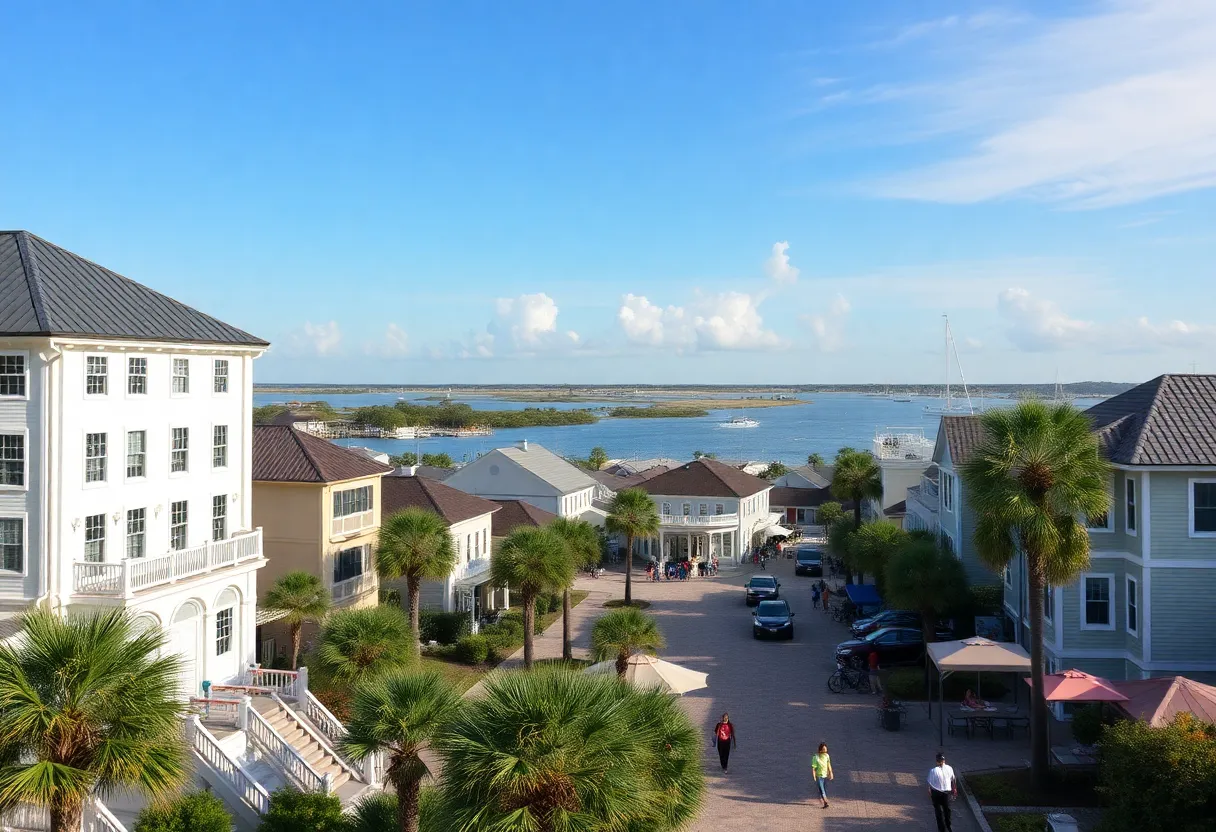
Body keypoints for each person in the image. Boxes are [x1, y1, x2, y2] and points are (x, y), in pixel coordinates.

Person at [927, 752, 957, 832]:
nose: (942, 762)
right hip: (943, 792)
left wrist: (954, 788)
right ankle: (946, 827)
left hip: (938, 792)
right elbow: (953, 779)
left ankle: (944, 827)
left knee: (942, 811)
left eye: (941, 761)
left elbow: (930, 782)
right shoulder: (947, 768)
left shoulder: (934, 770)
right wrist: (954, 788)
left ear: (937, 761)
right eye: (941, 761)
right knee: (945, 810)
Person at [811, 742, 833, 809]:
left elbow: (829, 764)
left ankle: (825, 803)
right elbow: (814, 768)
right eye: (824, 749)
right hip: (819, 776)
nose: (825, 750)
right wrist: (814, 776)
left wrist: (831, 773)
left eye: (826, 749)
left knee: (822, 789)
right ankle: (825, 801)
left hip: (825, 775)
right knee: (821, 789)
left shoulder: (827, 756)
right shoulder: (815, 757)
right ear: (820, 750)